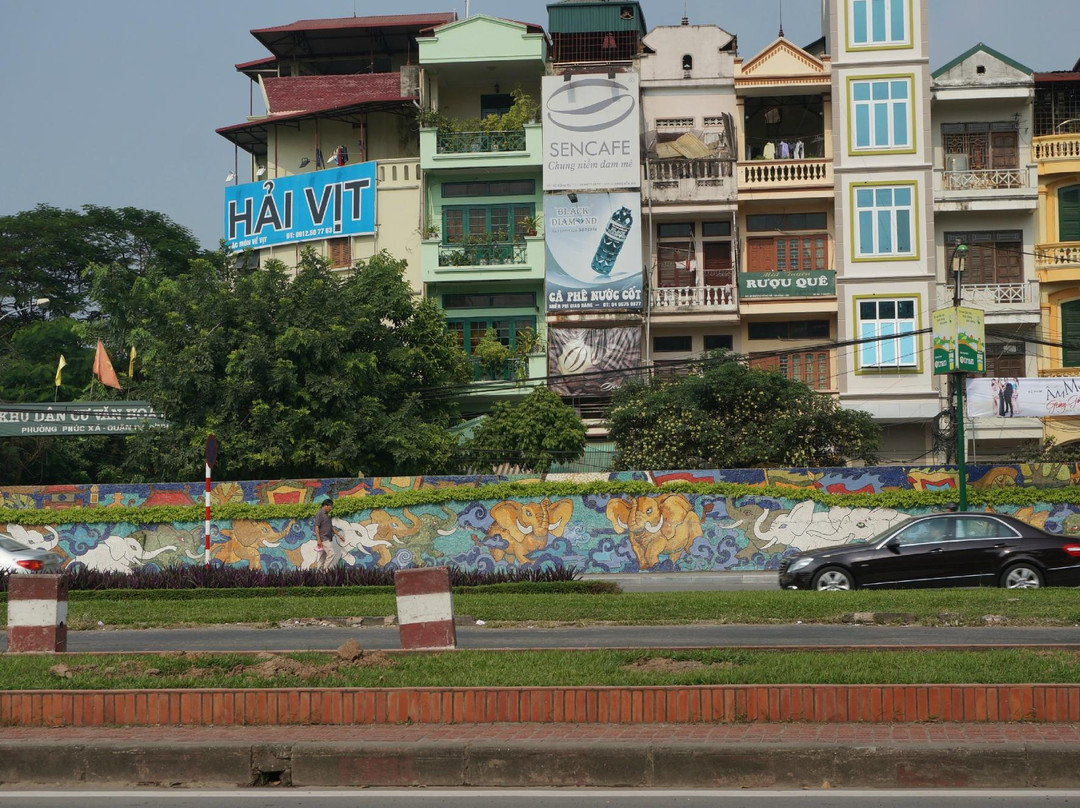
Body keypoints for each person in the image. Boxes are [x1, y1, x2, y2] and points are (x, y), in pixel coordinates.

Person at [313, 497, 341, 571]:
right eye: (330, 506)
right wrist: (319, 540)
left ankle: (318, 573)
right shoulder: (319, 514)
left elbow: (331, 528)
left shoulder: (328, 515)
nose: (331, 508)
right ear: (325, 505)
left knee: (323, 556)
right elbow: (316, 527)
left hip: (327, 538)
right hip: (323, 538)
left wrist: (339, 535)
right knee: (331, 553)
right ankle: (325, 570)